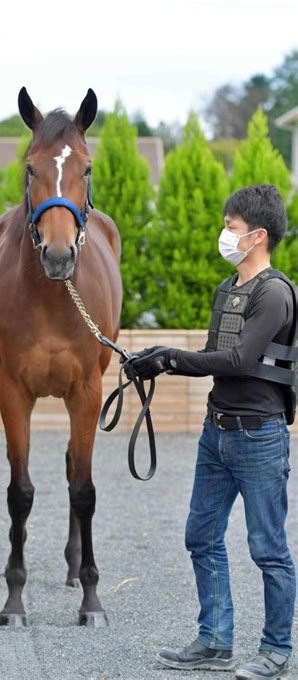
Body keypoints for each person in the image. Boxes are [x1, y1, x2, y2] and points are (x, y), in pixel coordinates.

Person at [123, 184, 297, 679]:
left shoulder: (275, 294)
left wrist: (170, 359)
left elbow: (240, 360)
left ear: (258, 236)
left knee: (267, 549)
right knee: (201, 536)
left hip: (259, 437)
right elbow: (213, 352)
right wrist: (154, 358)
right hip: (216, 432)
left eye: (232, 228)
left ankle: (276, 650)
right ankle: (216, 641)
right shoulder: (227, 290)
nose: (224, 234)